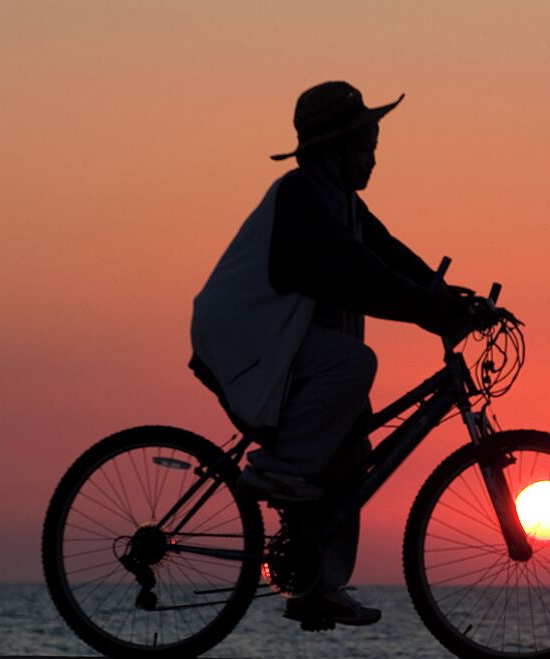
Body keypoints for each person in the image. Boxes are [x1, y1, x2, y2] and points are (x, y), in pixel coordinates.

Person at [189, 81, 473, 629]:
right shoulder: (300, 201)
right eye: (364, 146)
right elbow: (357, 273)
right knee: (353, 364)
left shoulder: (342, 204)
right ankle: (275, 470)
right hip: (244, 335)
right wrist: (428, 311)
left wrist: (451, 297)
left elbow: (388, 255)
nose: (372, 158)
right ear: (330, 151)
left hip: (284, 341)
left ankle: (315, 586)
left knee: (349, 454)